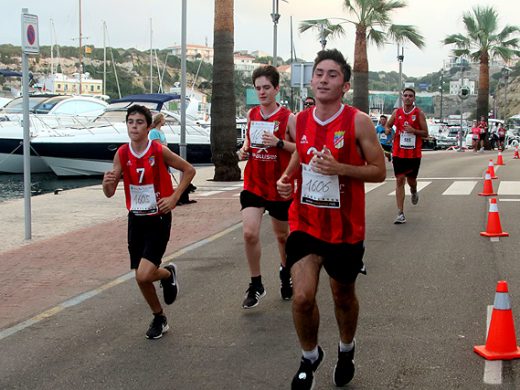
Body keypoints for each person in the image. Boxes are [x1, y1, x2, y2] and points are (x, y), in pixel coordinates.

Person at [276, 49, 385, 389]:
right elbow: (302, 155)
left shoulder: (358, 121)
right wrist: (286, 180)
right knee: (303, 297)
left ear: (345, 85)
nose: (323, 79)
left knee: (343, 296)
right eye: (319, 73)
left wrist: (341, 169)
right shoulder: (300, 120)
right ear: (312, 80)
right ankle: (309, 357)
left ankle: (346, 348)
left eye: (332, 75)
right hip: (305, 223)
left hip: (346, 230)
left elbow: (380, 170)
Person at [102, 105, 196, 339]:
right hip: (136, 218)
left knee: (144, 274)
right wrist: (107, 182)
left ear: (147, 126)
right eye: (130, 122)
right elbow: (109, 192)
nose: (134, 126)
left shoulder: (158, 150)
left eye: (139, 122)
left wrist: (174, 197)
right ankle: (159, 315)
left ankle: (165, 275)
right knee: (140, 276)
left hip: (159, 217)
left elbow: (189, 170)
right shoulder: (122, 154)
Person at [237, 65, 296, 308]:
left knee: (282, 237)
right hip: (254, 182)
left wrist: (280, 143)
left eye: (266, 88)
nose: (262, 92)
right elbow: (250, 142)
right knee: (249, 233)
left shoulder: (288, 118)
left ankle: (286, 273)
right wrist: (244, 150)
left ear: (276, 89)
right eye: (258, 88)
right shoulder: (252, 115)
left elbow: (302, 149)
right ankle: (256, 283)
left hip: (279, 185)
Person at [385, 88, 429, 224]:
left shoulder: (419, 114)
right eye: (405, 96)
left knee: (411, 180)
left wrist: (414, 130)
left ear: (414, 98)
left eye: (410, 96)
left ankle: (414, 190)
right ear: (402, 98)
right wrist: (388, 131)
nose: (408, 98)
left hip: (413, 154)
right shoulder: (396, 112)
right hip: (398, 152)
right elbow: (388, 125)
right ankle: (400, 213)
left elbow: (425, 133)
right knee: (399, 180)